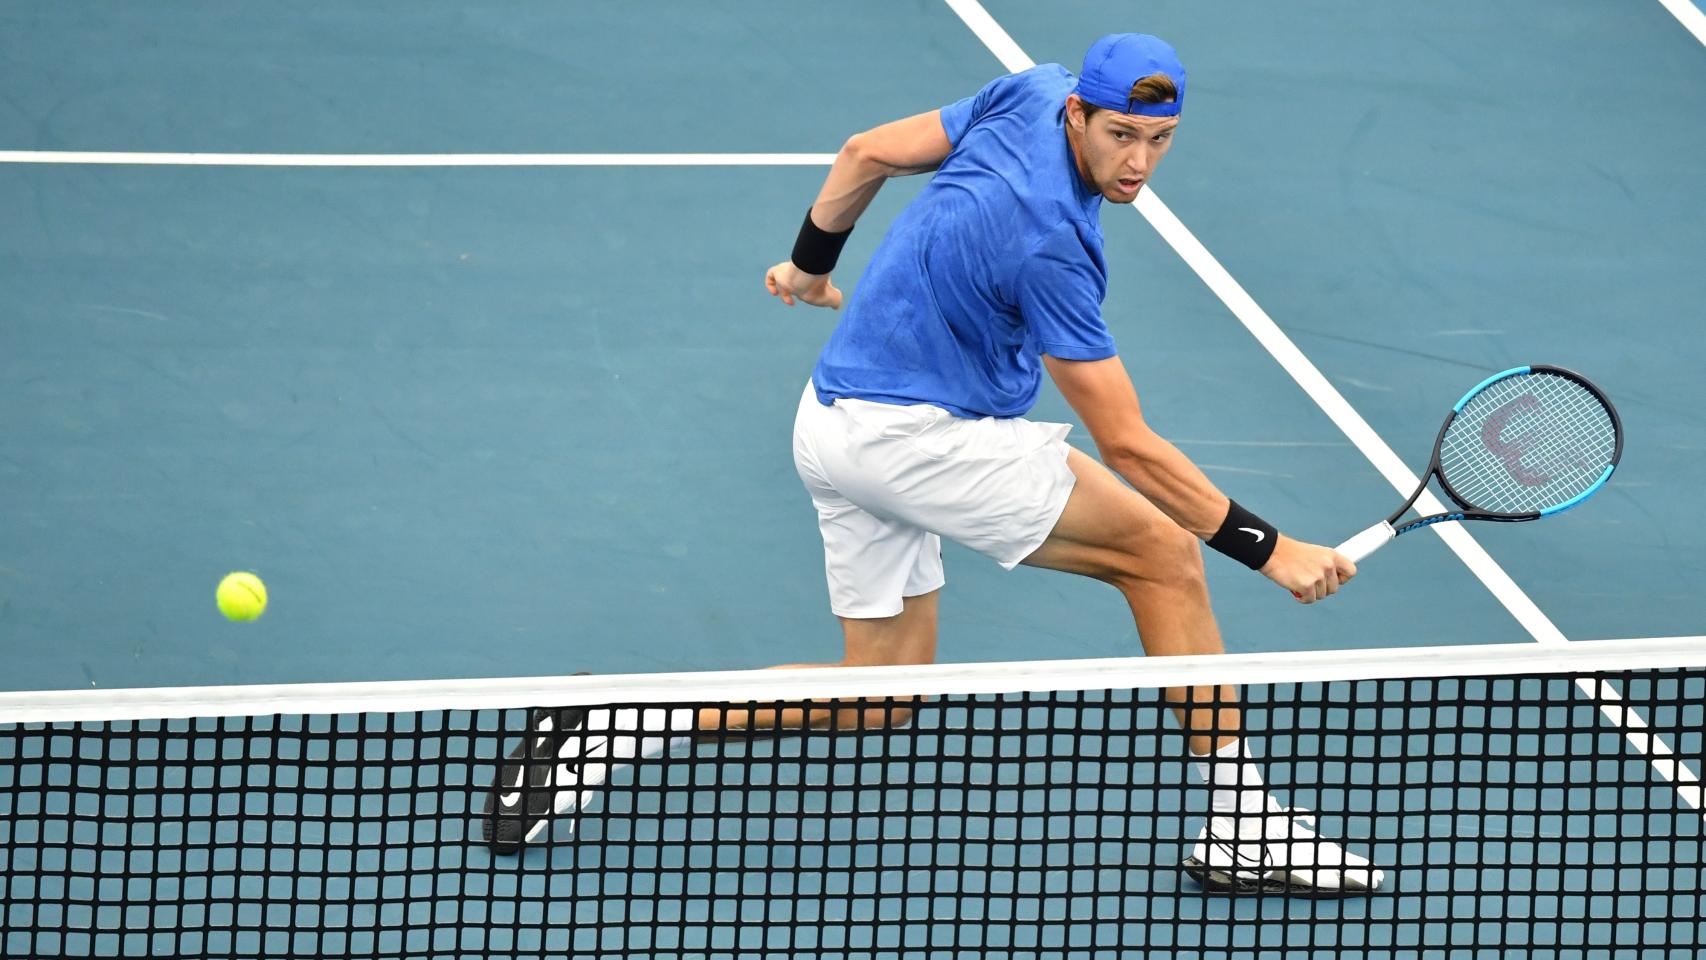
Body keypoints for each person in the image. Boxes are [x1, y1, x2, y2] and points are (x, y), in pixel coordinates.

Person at [484, 33, 1382, 897]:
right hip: (917, 444)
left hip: (834, 420)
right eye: (1120, 135)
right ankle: (1245, 820)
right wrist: (1269, 549)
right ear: (1077, 114)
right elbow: (1129, 444)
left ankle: (609, 724)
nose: (1137, 162)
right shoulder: (1051, 246)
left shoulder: (1029, 89)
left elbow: (865, 151)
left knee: (880, 694)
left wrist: (807, 268)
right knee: (1164, 556)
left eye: (1160, 141)